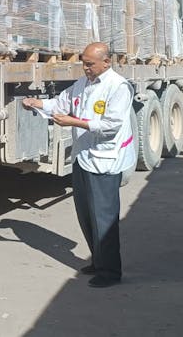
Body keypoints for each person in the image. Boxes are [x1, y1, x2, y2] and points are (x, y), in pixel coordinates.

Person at [22, 42, 136, 288]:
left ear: (107, 62)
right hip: (83, 158)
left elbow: (111, 125)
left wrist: (74, 123)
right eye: (83, 63)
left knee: (104, 219)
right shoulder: (82, 84)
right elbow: (61, 104)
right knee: (86, 214)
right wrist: (37, 103)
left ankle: (110, 272)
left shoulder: (118, 87)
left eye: (90, 64)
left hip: (105, 161)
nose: (85, 68)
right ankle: (97, 260)